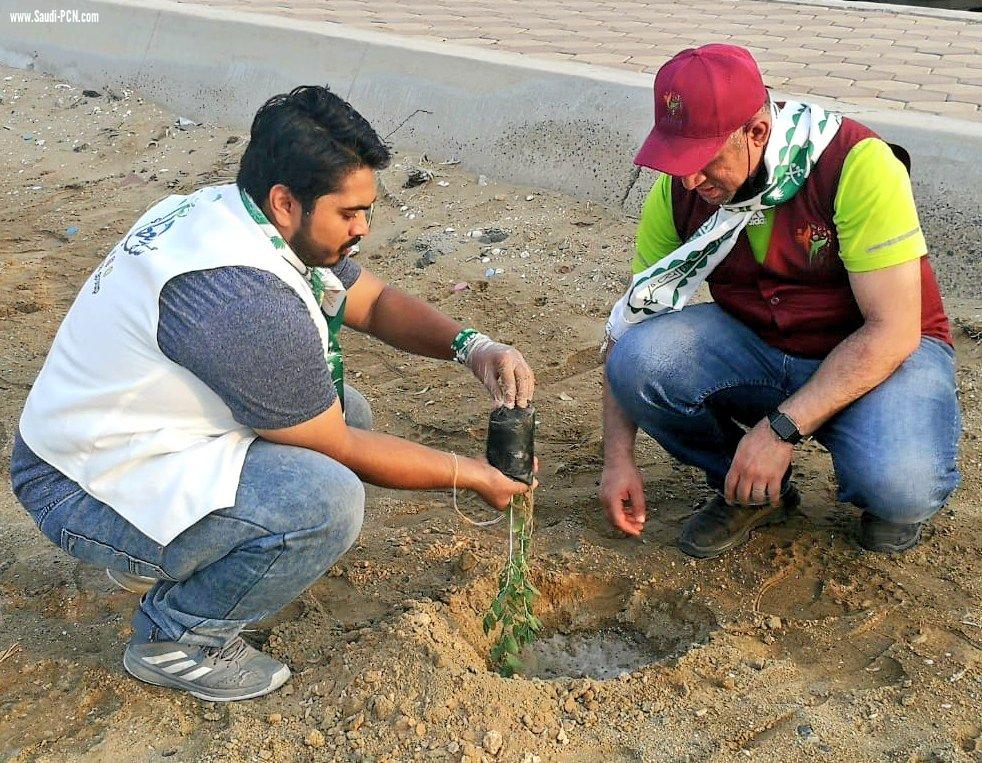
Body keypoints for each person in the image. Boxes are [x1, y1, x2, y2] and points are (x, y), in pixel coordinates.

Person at [10, 86, 536, 701]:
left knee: (344, 412)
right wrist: (471, 474)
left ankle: (175, 556)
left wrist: (473, 346)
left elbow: (371, 301)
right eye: (349, 213)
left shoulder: (240, 216)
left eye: (367, 209)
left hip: (113, 443)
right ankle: (175, 636)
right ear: (287, 201)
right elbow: (337, 448)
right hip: (75, 487)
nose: (363, 228)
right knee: (323, 498)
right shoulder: (243, 298)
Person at [600, 44, 959, 559]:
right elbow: (633, 320)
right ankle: (749, 488)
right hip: (764, 342)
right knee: (638, 362)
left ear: (757, 133)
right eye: (677, 160)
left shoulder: (856, 164)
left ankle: (883, 499)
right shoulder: (681, 191)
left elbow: (893, 331)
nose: (688, 180)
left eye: (702, 161)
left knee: (901, 485)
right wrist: (617, 459)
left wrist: (780, 429)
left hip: (879, 353)